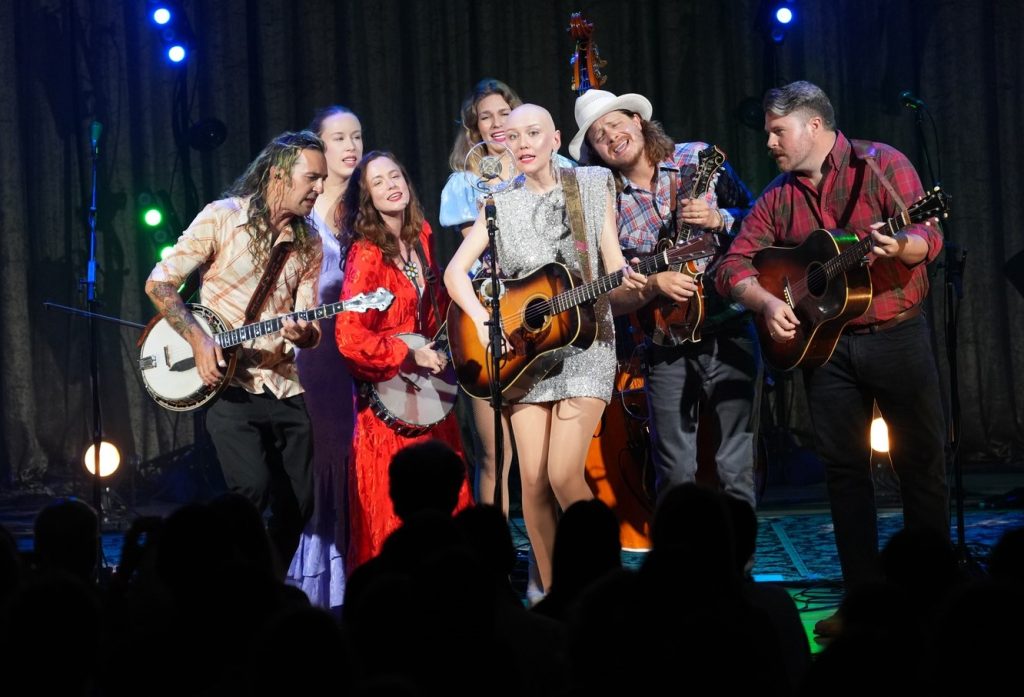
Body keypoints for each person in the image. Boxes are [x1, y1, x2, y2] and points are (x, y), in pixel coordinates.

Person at [715, 80, 948, 637]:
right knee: (844, 475)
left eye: (778, 131)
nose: (770, 142)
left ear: (813, 125)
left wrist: (902, 245)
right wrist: (767, 301)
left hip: (895, 334)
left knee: (920, 467)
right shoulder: (779, 195)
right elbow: (732, 266)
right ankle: (862, 601)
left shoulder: (881, 164)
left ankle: (932, 601)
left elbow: (928, 235)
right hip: (827, 347)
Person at [444, 104, 645, 591]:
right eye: (513, 137)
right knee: (532, 482)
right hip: (527, 353)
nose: (523, 144)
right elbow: (455, 273)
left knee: (562, 474)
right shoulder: (498, 203)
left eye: (533, 133)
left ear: (555, 139)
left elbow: (612, 262)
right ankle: (556, 594)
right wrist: (483, 320)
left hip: (586, 344)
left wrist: (635, 281)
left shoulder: (590, 184)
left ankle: (602, 583)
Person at [569, 89, 760, 508]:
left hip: (729, 325)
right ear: (595, 153)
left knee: (736, 459)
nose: (611, 136)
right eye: (599, 135)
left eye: (616, 123)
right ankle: (680, 548)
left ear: (637, 121)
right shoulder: (606, 203)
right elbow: (608, 295)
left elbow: (760, 223)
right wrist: (654, 284)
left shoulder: (697, 159)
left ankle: (739, 549)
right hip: (664, 341)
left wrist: (719, 218)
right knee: (673, 467)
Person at [146, 130, 326, 575]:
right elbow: (160, 283)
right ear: (279, 174)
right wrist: (198, 339)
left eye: (322, 179)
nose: (320, 188)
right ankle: (220, 582)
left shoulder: (310, 243)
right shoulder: (222, 218)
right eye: (312, 177)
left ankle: (267, 583)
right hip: (230, 383)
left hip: (283, 382)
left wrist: (305, 333)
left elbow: (310, 324)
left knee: (302, 500)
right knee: (250, 490)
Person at [439, 78, 575, 512]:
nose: (497, 124)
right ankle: (491, 543)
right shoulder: (465, 185)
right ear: (474, 128)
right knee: (496, 453)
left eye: (505, 114)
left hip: (548, 316)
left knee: (552, 460)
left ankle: (557, 545)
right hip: (493, 315)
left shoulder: (557, 168)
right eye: (486, 117)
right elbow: (479, 255)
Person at [336, 150, 472, 573]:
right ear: (367, 198)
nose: (391, 186)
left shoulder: (421, 236)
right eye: (378, 182)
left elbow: (435, 310)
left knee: (446, 507)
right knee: (397, 520)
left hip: (429, 393)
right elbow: (349, 336)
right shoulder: (366, 253)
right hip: (387, 405)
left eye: (395, 176)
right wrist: (406, 352)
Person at [286, 105, 363, 609]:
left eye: (356, 136)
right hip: (314, 350)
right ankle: (317, 578)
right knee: (323, 455)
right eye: (339, 138)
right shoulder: (301, 210)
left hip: (361, 346)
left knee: (356, 454)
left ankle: (354, 570)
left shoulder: (364, 203)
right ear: (319, 145)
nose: (351, 147)